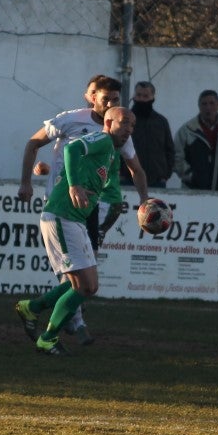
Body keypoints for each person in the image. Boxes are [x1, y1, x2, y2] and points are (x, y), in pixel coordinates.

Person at [17, 75, 149, 345]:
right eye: (106, 98)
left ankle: (42, 312)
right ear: (92, 97)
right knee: (77, 277)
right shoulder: (73, 120)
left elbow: (136, 168)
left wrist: (144, 200)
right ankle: (69, 327)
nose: (110, 102)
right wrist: (29, 181)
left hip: (87, 210)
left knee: (83, 275)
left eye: (115, 99)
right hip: (62, 205)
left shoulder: (118, 134)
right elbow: (38, 143)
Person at [172, 89, 218, 191]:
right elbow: (176, 156)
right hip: (192, 191)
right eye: (204, 104)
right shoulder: (187, 130)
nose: (208, 107)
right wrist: (190, 175)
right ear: (199, 106)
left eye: (212, 103)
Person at [123, 81, 176, 189]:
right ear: (134, 96)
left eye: (145, 96)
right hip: (128, 180)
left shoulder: (161, 122)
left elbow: (170, 150)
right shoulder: (124, 120)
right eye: (138, 95)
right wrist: (120, 174)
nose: (141, 99)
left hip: (156, 182)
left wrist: (165, 175)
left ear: (152, 97)